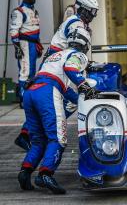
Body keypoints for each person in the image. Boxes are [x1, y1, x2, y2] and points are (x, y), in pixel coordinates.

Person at [17, 27, 98, 194]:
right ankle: (46, 174)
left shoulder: (55, 55)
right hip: (47, 92)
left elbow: (64, 87)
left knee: (39, 139)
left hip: (31, 92)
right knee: (58, 138)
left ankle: (25, 171)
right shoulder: (78, 55)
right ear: (85, 44)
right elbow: (70, 68)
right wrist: (84, 85)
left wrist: (80, 100)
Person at [14, 0, 99, 152]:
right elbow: (76, 48)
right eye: (90, 12)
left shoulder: (75, 21)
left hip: (55, 63)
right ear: (82, 10)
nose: (92, 16)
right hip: (59, 66)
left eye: (94, 12)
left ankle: (27, 134)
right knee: (72, 100)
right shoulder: (76, 24)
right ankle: (36, 133)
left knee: (60, 100)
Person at [9, 0, 43, 102]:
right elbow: (14, 30)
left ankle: (30, 98)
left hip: (33, 44)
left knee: (32, 72)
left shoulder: (34, 10)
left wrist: (38, 44)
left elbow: (35, 28)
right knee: (25, 71)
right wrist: (17, 47)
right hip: (24, 44)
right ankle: (23, 98)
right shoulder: (19, 12)